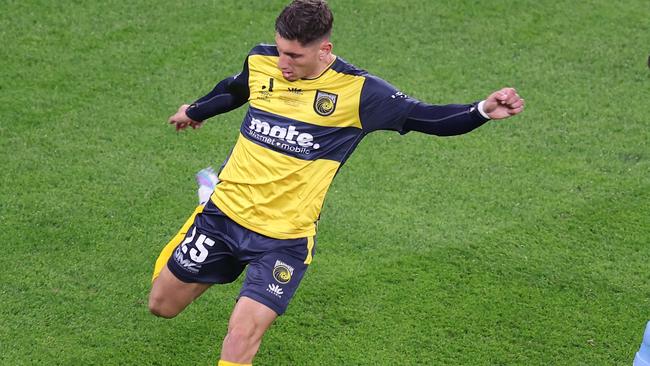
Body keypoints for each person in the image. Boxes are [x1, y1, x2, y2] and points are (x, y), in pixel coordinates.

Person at [148, 0, 525, 365]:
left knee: (242, 335)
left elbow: (424, 117)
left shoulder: (360, 93)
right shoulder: (262, 61)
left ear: (324, 49)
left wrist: (481, 111)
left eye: (294, 56)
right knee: (162, 306)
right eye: (281, 51)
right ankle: (205, 202)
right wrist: (194, 111)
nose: (283, 63)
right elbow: (235, 89)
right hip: (223, 216)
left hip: (283, 240)